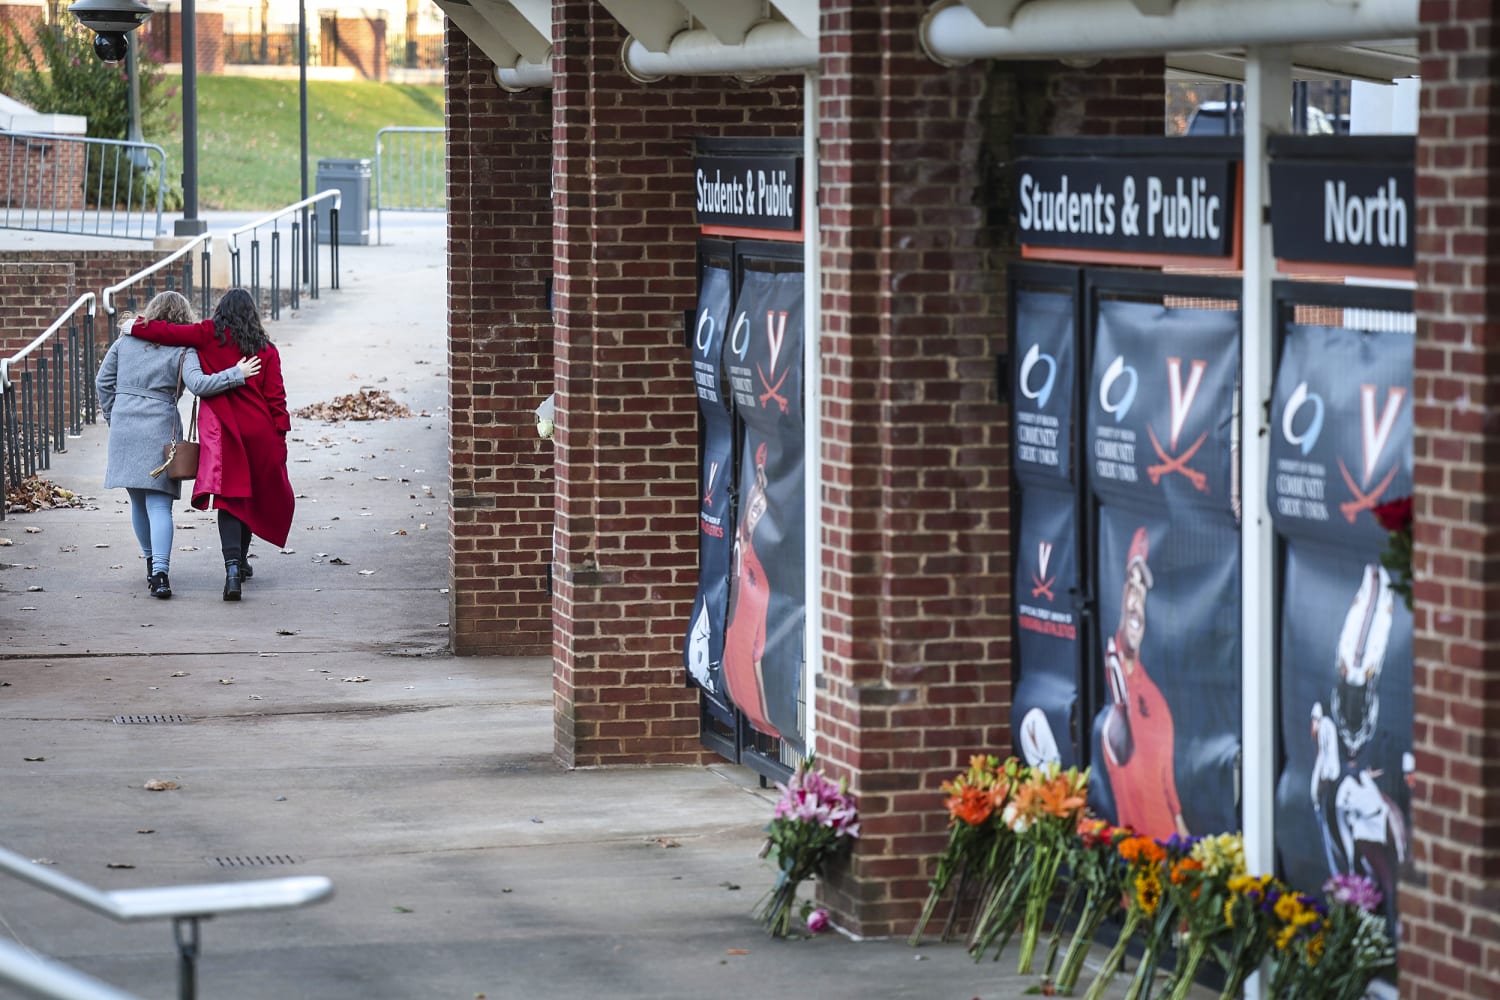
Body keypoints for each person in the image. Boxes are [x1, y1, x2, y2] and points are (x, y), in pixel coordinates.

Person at [123, 287, 294, 601]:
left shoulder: (207, 335)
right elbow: (277, 401)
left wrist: (135, 326)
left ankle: (232, 570)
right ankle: (240, 561)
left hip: (228, 435)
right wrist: (280, 439)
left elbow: (169, 331)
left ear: (221, 313)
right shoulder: (267, 350)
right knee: (249, 500)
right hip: (260, 434)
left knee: (230, 500)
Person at [96, 291, 261, 599]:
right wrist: (236, 374)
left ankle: (150, 563)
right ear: (184, 318)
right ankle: (160, 574)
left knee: (137, 501)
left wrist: (113, 416)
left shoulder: (124, 342)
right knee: (159, 505)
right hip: (159, 427)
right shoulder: (184, 351)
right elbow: (200, 385)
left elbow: (103, 383)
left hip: (124, 427)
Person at [1100, 526, 1188, 839]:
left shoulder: (1157, 698)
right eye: (1131, 586)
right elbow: (1118, 742)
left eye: (1143, 590)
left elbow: (1171, 799)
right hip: (1140, 873)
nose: (1137, 600)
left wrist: (1191, 864)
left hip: (1174, 875)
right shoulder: (1112, 675)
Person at [722, 441, 779, 738]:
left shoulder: (761, 568)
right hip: (736, 667)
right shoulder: (742, 540)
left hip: (748, 681)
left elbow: (760, 652)